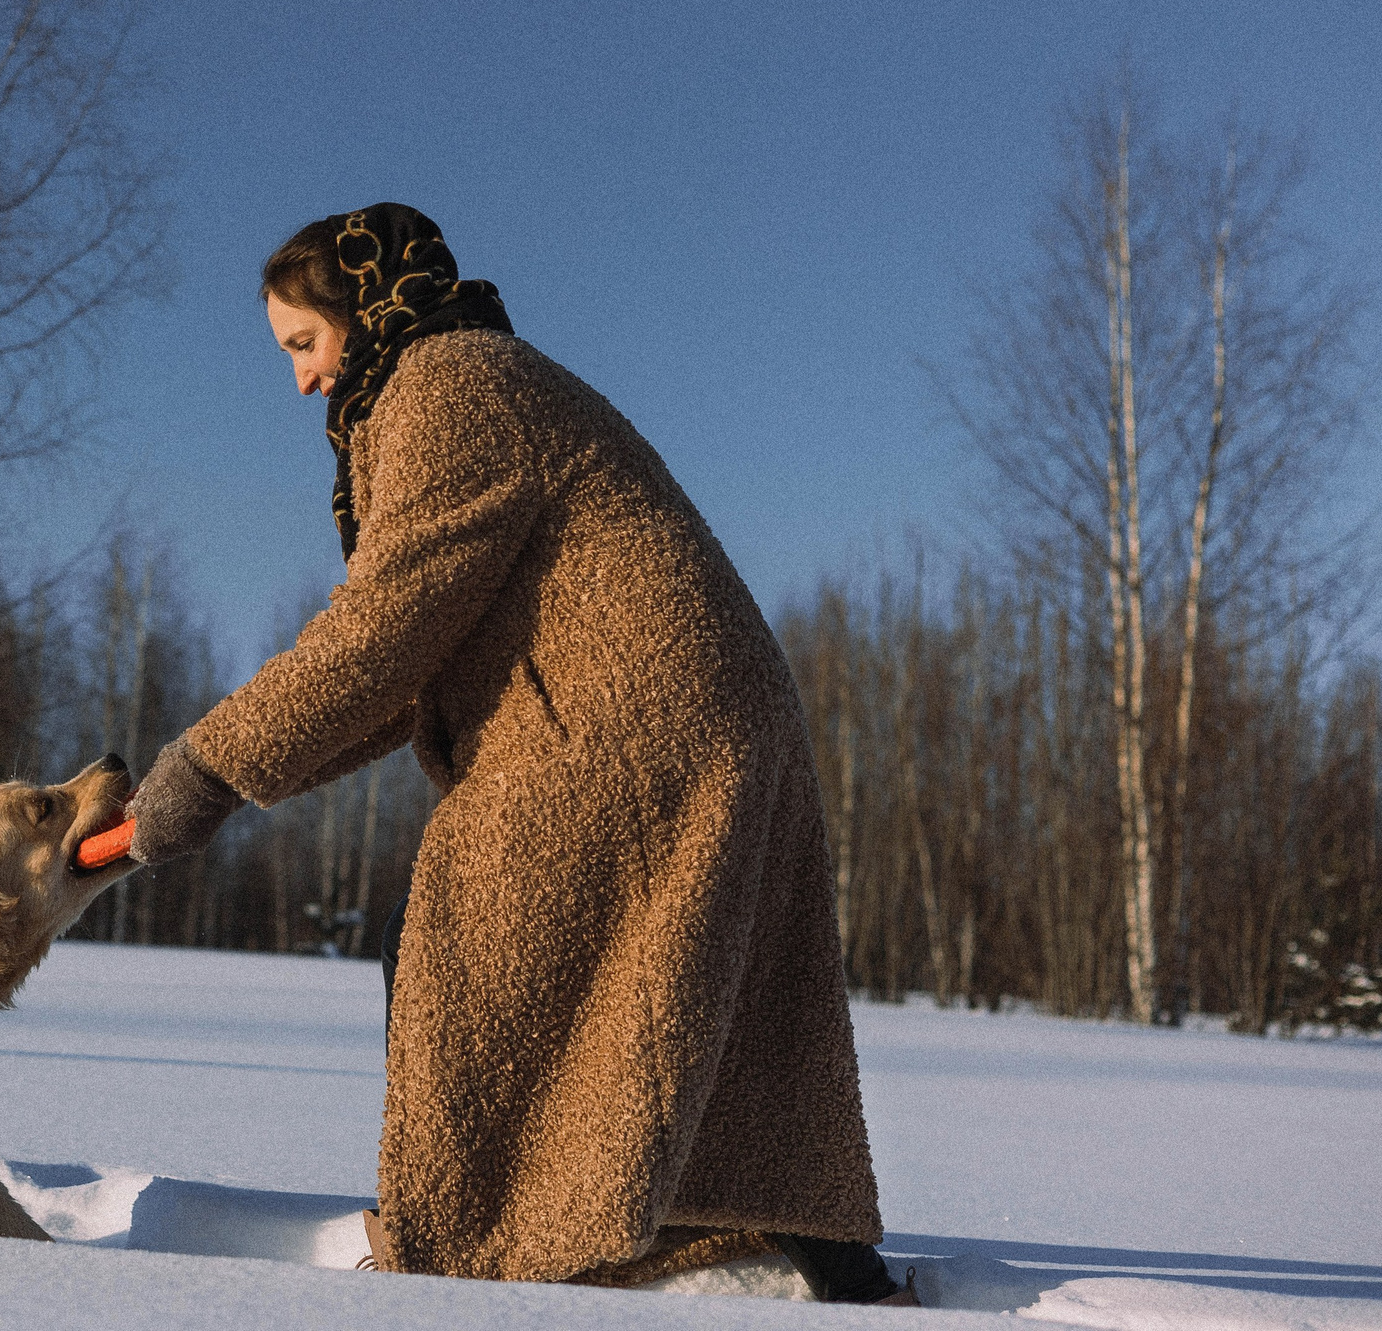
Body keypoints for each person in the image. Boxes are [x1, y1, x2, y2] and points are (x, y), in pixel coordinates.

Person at [125, 204, 915, 1304]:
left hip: (631, 717)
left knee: (457, 938)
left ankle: (472, 1247)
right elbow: (407, 668)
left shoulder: (446, 385)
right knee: (689, 989)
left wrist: (206, 768)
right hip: (684, 710)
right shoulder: (460, 380)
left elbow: (382, 632)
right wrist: (219, 784)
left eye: (304, 342)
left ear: (366, 309)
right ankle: (834, 1275)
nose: (301, 380)